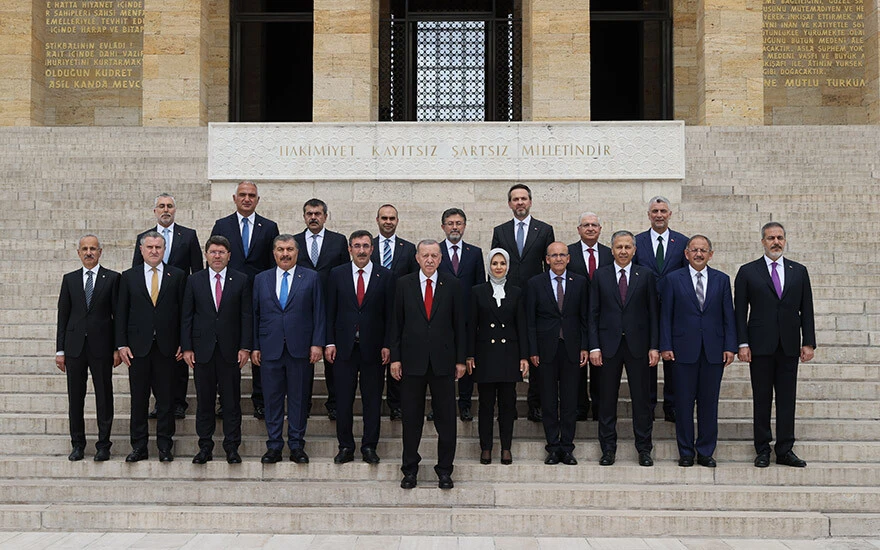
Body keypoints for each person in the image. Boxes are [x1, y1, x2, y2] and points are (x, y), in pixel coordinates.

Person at [735, 222, 816, 468]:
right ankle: (762, 449)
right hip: (759, 346)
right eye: (771, 238)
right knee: (761, 398)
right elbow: (740, 312)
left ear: (785, 240)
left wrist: (809, 342)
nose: (776, 242)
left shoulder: (798, 271)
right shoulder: (748, 271)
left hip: (789, 346)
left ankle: (784, 449)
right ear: (763, 242)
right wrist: (742, 343)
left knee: (786, 399)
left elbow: (807, 309)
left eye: (780, 237)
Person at [390, 240, 466, 490]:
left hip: (443, 363)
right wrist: (396, 358)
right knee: (411, 419)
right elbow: (396, 324)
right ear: (417, 258)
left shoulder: (453, 285)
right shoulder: (403, 284)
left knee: (446, 420)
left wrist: (460, 360)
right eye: (426, 255)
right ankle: (410, 469)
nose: (430, 260)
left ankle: (445, 470)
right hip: (412, 363)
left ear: (441, 258)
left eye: (434, 255)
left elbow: (459, 325)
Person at [659, 235, 736, 467]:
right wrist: (666, 345)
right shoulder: (673, 279)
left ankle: (705, 451)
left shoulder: (721, 280)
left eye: (703, 250)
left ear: (710, 254)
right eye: (694, 250)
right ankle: (685, 452)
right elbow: (666, 315)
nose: (699, 254)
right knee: (683, 404)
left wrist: (730, 346)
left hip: (713, 351)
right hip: (682, 351)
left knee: (708, 403)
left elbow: (728, 316)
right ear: (686, 253)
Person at [252, 235, 325, 464]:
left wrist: (317, 343)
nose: (285, 253)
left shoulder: (311, 278)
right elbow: (254, 315)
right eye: (281, 249)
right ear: (274, 253)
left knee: (299, 399)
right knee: (272, 400)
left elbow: (319, 312)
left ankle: (296, 445)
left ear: (297, 252)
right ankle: (274, 445)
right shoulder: (261, 279)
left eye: (290, 249)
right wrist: (254, 346)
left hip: (300, 349)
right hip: (269, 348)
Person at [210, 181, 279, 420]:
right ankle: (224, 400)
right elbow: (214, 258)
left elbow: (274, 264)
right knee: (226, 348)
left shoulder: (269, 227)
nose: (247, 199)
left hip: (260, 296)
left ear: (257, 200)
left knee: (259, 347)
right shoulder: (222, 225)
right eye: (243, 195)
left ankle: (260, 399)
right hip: (229, 297)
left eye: (251, 195)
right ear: (234, 198)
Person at [180, 235, 253, 465]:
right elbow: (187, 316)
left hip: (231, 351)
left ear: (229, 256)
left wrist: (245, 347)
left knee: (231, 402)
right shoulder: (194, 280)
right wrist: (188, 347)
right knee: (204, 401)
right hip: (202, 350)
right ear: (206, 254)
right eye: (213, 252)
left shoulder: (241, 280)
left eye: (222, 252)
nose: (217, 256)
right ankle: (205, 447)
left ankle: (232, 447)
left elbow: (246, 316)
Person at [589, 230, 659, 467]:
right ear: (612, 250)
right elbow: (593, 314)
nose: (623, 251)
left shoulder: (646, 275)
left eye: (627, 247)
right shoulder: (600, 276)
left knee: (641, 400)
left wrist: (654, 346)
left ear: (634, 250)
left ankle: (644, 448)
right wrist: (594, 346)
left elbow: (653, 314)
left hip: (638, 346)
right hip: (608, 347)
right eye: (619, 247)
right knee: (607, 400)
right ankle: (608, 449)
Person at [325, 230, 395, 465]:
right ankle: (345, 446)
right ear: (350, 249)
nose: (362, 250)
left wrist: (387, 345)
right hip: (344, 349)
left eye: (366, 246)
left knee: (372, 400)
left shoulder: (385, 276)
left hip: (374, 350)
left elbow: (390, 316)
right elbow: (329, 311)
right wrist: (330, 342)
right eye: (357, 246)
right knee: (343, 400)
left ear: (372, 249)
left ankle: (369, 446)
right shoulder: (337, 274)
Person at [116, 231, 187, 462]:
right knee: (139, 400)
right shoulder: (128, 277)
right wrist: (121, 344)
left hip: (167, 348)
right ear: (141, 250)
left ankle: (165, 447)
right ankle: (139, 447)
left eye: (158, 247)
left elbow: (184, 313)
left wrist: (184, 343)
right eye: (150, 247)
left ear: (164, 249)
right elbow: (121, 313)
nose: (154, 251)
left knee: (166, 400)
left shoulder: (176, 275)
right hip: (138, 349)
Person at [133, 193, 202, 420]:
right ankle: (160, 403)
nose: (166, 210)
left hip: (179, 302)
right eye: (161, 206)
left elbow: (197, 271)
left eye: (170, 206)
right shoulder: (143, 238)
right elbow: (136, 273)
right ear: (155, 211)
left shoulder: (189, 235)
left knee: (178, 357)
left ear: (175, 210)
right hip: (152, 305)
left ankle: (179, 402)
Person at [491, 184, 555, 423]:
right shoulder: (501, 230)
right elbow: (495, 264)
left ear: (530, 202)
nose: (520, 203)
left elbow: (549, 265)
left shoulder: (545, 229)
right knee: (508, 349)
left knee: (535, 352)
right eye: (515, 199)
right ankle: (506, 406)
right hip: (508, 298)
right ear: (509, 203)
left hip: (537, 299)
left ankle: (535, 404)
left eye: (524, 199)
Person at [55, 234, 120, 461]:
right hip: (74, 349)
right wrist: (60, 350)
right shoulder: (69, 279)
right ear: (78, 252)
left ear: (100, 252)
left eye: (93, 249)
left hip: (102, 347)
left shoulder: (112, 278)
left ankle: (104, 445)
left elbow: (117, 316)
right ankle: (78, 444)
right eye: (85, 249)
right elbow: (63, 316)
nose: (89, 252)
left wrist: (116, 347)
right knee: (76, 398)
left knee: (104, 396)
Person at [526, 242, 589, 466]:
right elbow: (530, 321)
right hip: (545, 351)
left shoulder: (580, 282)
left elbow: (585, 318)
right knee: (549, 401)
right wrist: (532, 349)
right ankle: (553, 447)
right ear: (547, 259)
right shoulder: (535, 283)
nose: (559, 258)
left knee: (570, 401)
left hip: (572, 348)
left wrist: (585, 346)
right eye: (554, 255)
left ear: (569, 258)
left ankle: (567, 447)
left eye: (562, 254)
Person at [467, 248, 529, 465]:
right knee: (485, 405)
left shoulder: (517, 292)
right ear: (488, 266)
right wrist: (469, 354)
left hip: (509, 355)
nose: (499, 267)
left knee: (507, 404)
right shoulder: (477, 291)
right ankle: (485, 447)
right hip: (485, 355)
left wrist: (524, 356)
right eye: (495, 263)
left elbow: (522, 325)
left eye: (502, 263)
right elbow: (470, 326)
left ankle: (506, 447)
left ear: (508, 266)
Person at [294, 198, 350, 421]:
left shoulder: (338, 241)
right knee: (304, 359)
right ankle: (303, 403)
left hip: (331, 308)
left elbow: (346, 274)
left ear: (326, 216)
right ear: (304, 216)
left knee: (332, 358)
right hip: (302, 310)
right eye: (309, 213)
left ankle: (334, 403)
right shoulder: (295, 242)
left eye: (318, 213)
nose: (313, 217)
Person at [634, 196, 689, 423]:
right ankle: (648, 405)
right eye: (655, 211)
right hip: (645, 312)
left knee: (672, 360)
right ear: (648, 215)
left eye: (663, 211)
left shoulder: (682, 241)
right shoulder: (638, 241)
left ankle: (672, 405)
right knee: (648, 360)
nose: (659, 215)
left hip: (674, 311)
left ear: (670, 214)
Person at [371, 204, 418, 421]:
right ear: (377, 220)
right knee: (375, 360)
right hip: (373, 312)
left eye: (392, 218)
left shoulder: (408, 249)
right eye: (384, 218)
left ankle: (395, 404)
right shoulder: (367, 246)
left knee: (397, 357)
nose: (388, 221)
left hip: (400, 311)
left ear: (397, 221)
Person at [438, 207, 484, 422]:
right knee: (441, 362)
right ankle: (439, 405)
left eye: (458, 223)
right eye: (450, 223)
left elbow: (479, 286)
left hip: (466, 318)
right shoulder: (434, 251)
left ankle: (465, 403)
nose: (454, 227)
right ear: (443, 227)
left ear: (464, 226)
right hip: (441, 317)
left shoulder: (474, 253)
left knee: (467, 361)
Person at [567, 212, 613, 421]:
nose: (590, 228)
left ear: (600, 229)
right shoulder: (568, 253)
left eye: (594, 225)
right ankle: (579, 407)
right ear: (579, 229)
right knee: (576, 366)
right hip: (574, 317)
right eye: (586, 225)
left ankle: (598, 407)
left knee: (599, 366)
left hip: (602, 318)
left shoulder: (608, 253)